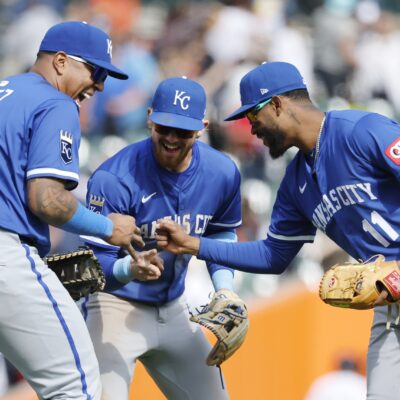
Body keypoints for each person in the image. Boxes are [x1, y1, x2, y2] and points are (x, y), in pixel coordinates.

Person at [156, 61, 400, 399]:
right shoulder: (295, 184)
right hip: (390, 304)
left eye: (253, 117)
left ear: (277, 104)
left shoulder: (359, 130)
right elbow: (272, 255)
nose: (252, 129)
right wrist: (193, 245)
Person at [0, 20, 144, 400]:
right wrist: (105, 227)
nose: (99, 85)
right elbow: (47, 199)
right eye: (95, 71)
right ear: (61, 61)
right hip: (5, 254)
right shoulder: (55, 101)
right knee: (74, 387)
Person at [81, 76, 242, 399]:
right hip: (115, 305)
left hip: (174, 307)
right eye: (163, 127)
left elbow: (220, 230)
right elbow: (94, 268)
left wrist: (225, 290)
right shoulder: (114, 177)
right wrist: (130, 269)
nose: (170, 138)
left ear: (202, 127)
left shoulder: (222, 172)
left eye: (181, 130)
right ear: (149, 117)